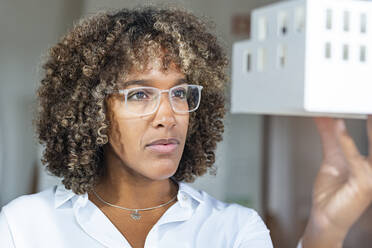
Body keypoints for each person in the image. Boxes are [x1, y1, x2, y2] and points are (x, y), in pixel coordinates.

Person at [0, 6, 371, 248]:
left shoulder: (234, 230)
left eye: (179, 93)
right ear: (93, 110)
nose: (168, 115)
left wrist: (327, 230)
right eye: (139, 94)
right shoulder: (25, 226)